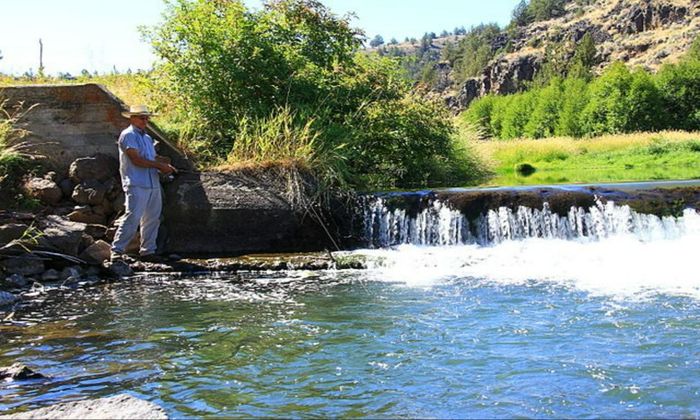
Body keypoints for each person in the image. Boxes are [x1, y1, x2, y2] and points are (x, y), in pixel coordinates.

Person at [110, 105, 176, 263]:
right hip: (136, 182)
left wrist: (167, 167)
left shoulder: (146, 138)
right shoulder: (128, 135)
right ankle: (116, 251)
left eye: (146, 118)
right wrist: (160, 166)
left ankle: (148, 251)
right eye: (141, 117)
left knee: (153, 218)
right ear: (132, 118)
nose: (145, 120)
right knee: (132, 217)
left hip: (152, 183)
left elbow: (150, 159)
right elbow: (136, 160)